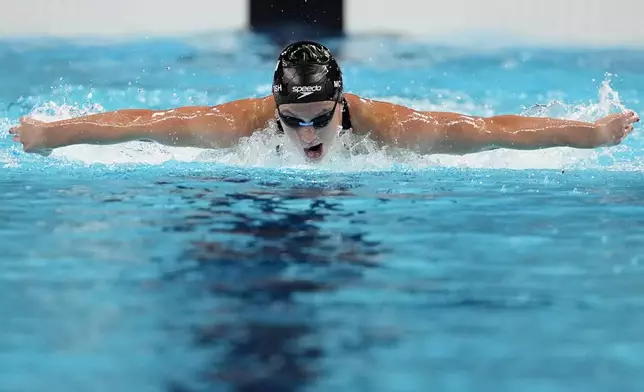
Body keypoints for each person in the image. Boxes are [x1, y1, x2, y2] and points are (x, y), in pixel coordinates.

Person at [9, 40, 639, 161]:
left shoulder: (398, 130)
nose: (308, 135)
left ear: (342, 103)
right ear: (273, 104)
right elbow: (136, 124)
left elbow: (493, 129)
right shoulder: (229, 127)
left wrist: (594, 134)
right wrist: (53, 134)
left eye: (320, 118)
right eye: (293, 119)